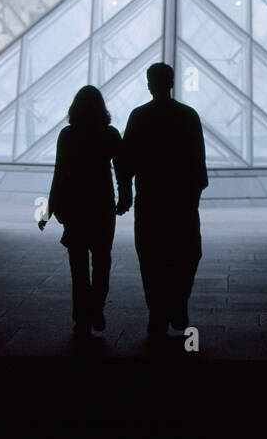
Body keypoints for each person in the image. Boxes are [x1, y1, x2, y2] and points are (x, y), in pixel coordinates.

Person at [122, 62, 208, 336]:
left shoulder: (139, 116)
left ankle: (157, 311)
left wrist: (125, 194)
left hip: (149, 201)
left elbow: (126, 161)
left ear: (149, 84)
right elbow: (198, 162)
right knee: (188, 253)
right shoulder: (188, 116)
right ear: (172, 82)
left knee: (151, 257)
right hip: (181, 201)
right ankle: (178, 303)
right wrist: (193, 196)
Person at [43, 85, 131, 336]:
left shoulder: (67, 135)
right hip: (102, 205)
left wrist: (49, 210)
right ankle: (97, 307)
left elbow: (59, 174)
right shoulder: (110, 134)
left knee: (78, 265)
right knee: (102, 260)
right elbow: (123, 171)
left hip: (75, 207)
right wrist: (126, 198)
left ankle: (81, 314)